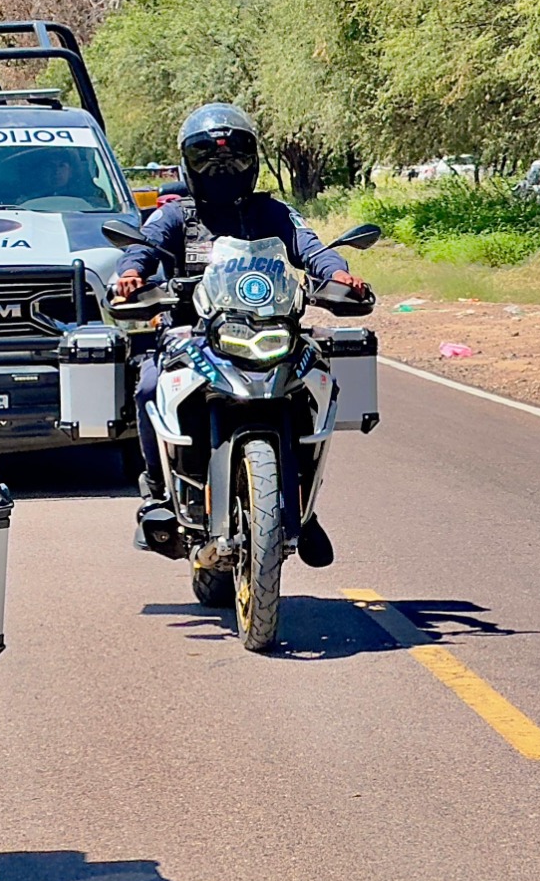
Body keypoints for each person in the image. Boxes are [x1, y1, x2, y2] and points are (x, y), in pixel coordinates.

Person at [111, 104, 367, 567]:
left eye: (232, 158)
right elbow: (140, 252)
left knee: (313, 381)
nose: (220, 168)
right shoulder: (175, 217)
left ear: (252, 161)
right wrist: (130, 275)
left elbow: (311, 248)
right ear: (189, 164)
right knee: (149, 384)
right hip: (191, 334)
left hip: (269, 327)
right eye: (207, 158)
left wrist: (338, 274)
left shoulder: (270, 211)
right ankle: (157, 494)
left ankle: (302, 506)